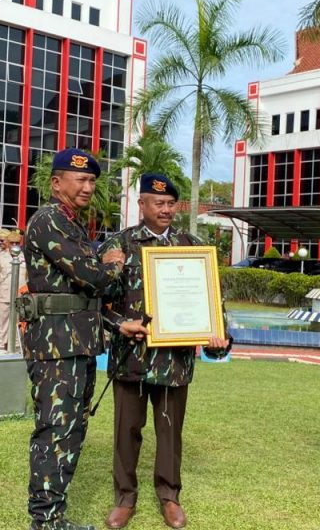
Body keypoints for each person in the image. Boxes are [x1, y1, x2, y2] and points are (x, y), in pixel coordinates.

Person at [99, 174, 231, 530]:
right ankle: (125, 498)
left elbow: (213, 302)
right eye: (159, 203)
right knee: (127, 430)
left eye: (171, 203)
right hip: (131, 357)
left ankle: (169, 496)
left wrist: (218, 335)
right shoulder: (119, 244)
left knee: (170, 431)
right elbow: (99, 302)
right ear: (141, 204)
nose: (167, 209)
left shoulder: (192, 246)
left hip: (174, 361)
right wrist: (119, 323)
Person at [22, 148, 125, 530]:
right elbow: (92, 276)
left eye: (92, 181)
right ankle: (45, 521)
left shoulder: (71, 223)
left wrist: (116, 325)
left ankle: (53, 517)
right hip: (56, 346)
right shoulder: (49, 220)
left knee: (70, 431)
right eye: (80, 179)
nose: (87, 187)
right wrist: (112, 263)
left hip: (74, 342)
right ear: (56, 182)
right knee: (55, 431)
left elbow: (83, 296)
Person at [0, 229, 25, 350]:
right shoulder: (0, 257)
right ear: (7, 243)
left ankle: (16, 345)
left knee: (17, 322)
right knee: (1, 323)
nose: (14, 245)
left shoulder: (25, 257)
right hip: (5, 293)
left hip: (19, 295)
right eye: (12, 243)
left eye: (17, 243)